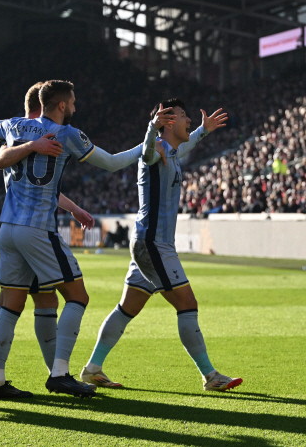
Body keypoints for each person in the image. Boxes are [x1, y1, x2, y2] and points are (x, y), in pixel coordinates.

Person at [0, 80, 167, 399]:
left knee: (10, 305)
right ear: (62, 105)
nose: (76, 108)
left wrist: (22, 142)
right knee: (78, 296)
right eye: (73, 103)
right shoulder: (67, 134)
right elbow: (110, 162)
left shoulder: (14, 125)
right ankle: (60, 374)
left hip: (7, 227)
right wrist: (149, 144)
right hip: (38, 228)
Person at [80, 98, 242, 392]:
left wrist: (204, 131)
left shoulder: (173, 150)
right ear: (167, 122)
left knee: (127, 308)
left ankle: (92, 369)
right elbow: (147, 152)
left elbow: (187, 143)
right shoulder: (155, 150)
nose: (189, 120)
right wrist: (151, 129)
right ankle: (210, 376)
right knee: (187, 304)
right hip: (154, 244)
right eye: (183, 116)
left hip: (148, 243)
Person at [0, 82, 97, 393]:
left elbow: (41, 184)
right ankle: (51, 374)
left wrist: (74, 207)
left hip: (13, 224)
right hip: (32, 226)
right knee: (13, 302)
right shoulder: (29, 133)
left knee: (36, 302)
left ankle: (53, 372)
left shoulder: (16, 134)